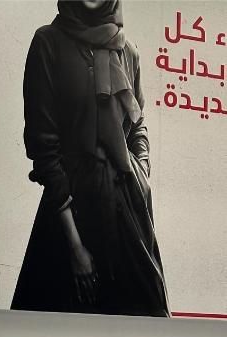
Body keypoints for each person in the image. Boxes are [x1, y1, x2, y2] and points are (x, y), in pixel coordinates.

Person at [11, 0, 169, 317]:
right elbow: (44, 150)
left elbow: (137, 123)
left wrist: (141, 171)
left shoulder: (128, 51)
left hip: (127, 208)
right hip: (72, 211)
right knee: (60, 328)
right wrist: (74, 246)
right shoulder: (48, 42)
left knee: (145, 327)